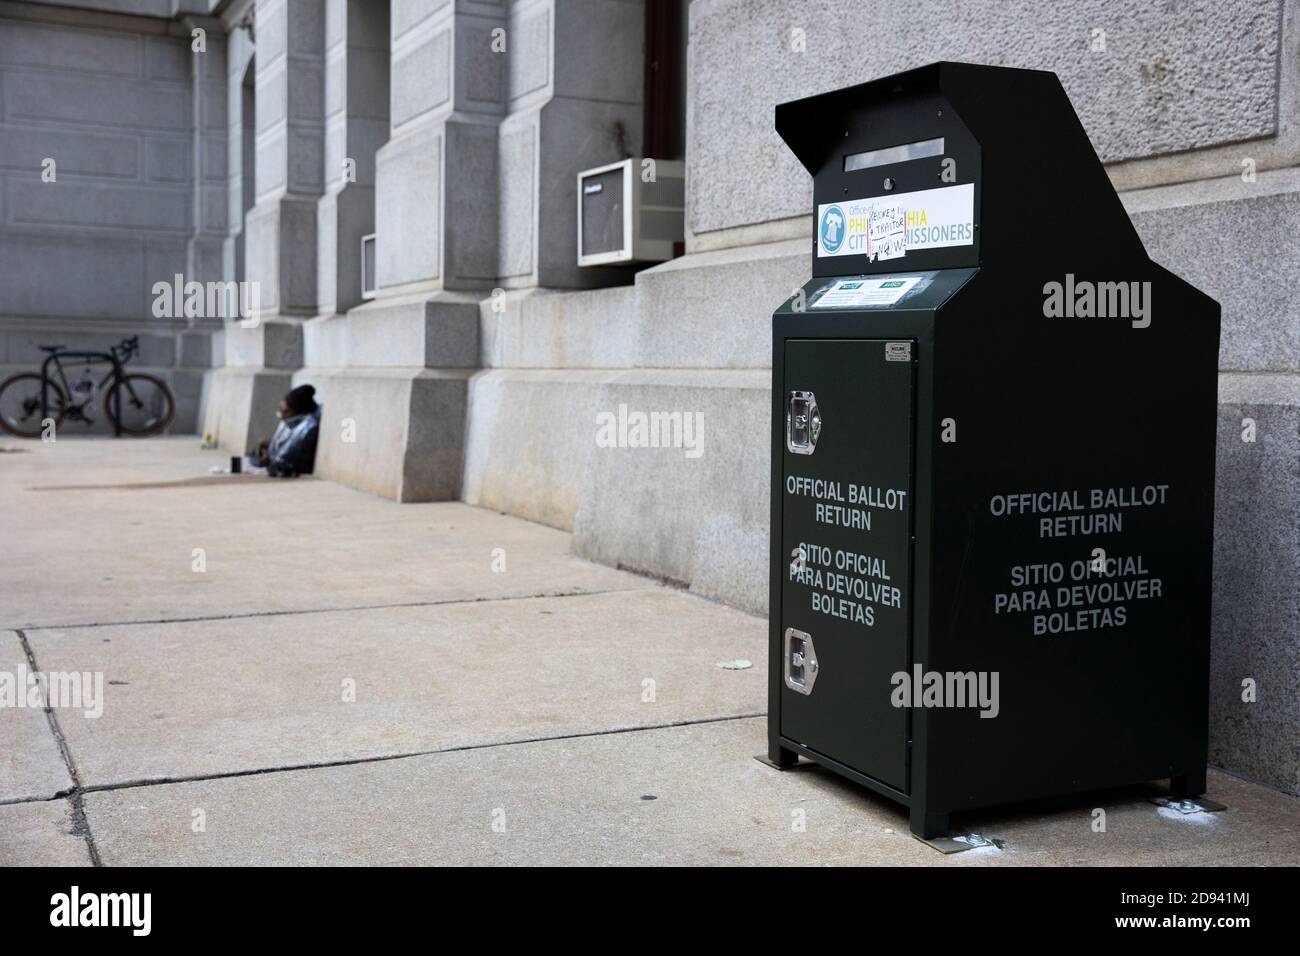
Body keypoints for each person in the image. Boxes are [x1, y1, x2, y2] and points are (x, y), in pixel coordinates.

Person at [248, 384, 320, 477]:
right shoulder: (288, 420)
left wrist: (269, 462)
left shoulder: (307, 428)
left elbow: (291, 462)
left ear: (293, 409)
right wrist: (269, 444)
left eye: (285, 404)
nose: (281, 406)